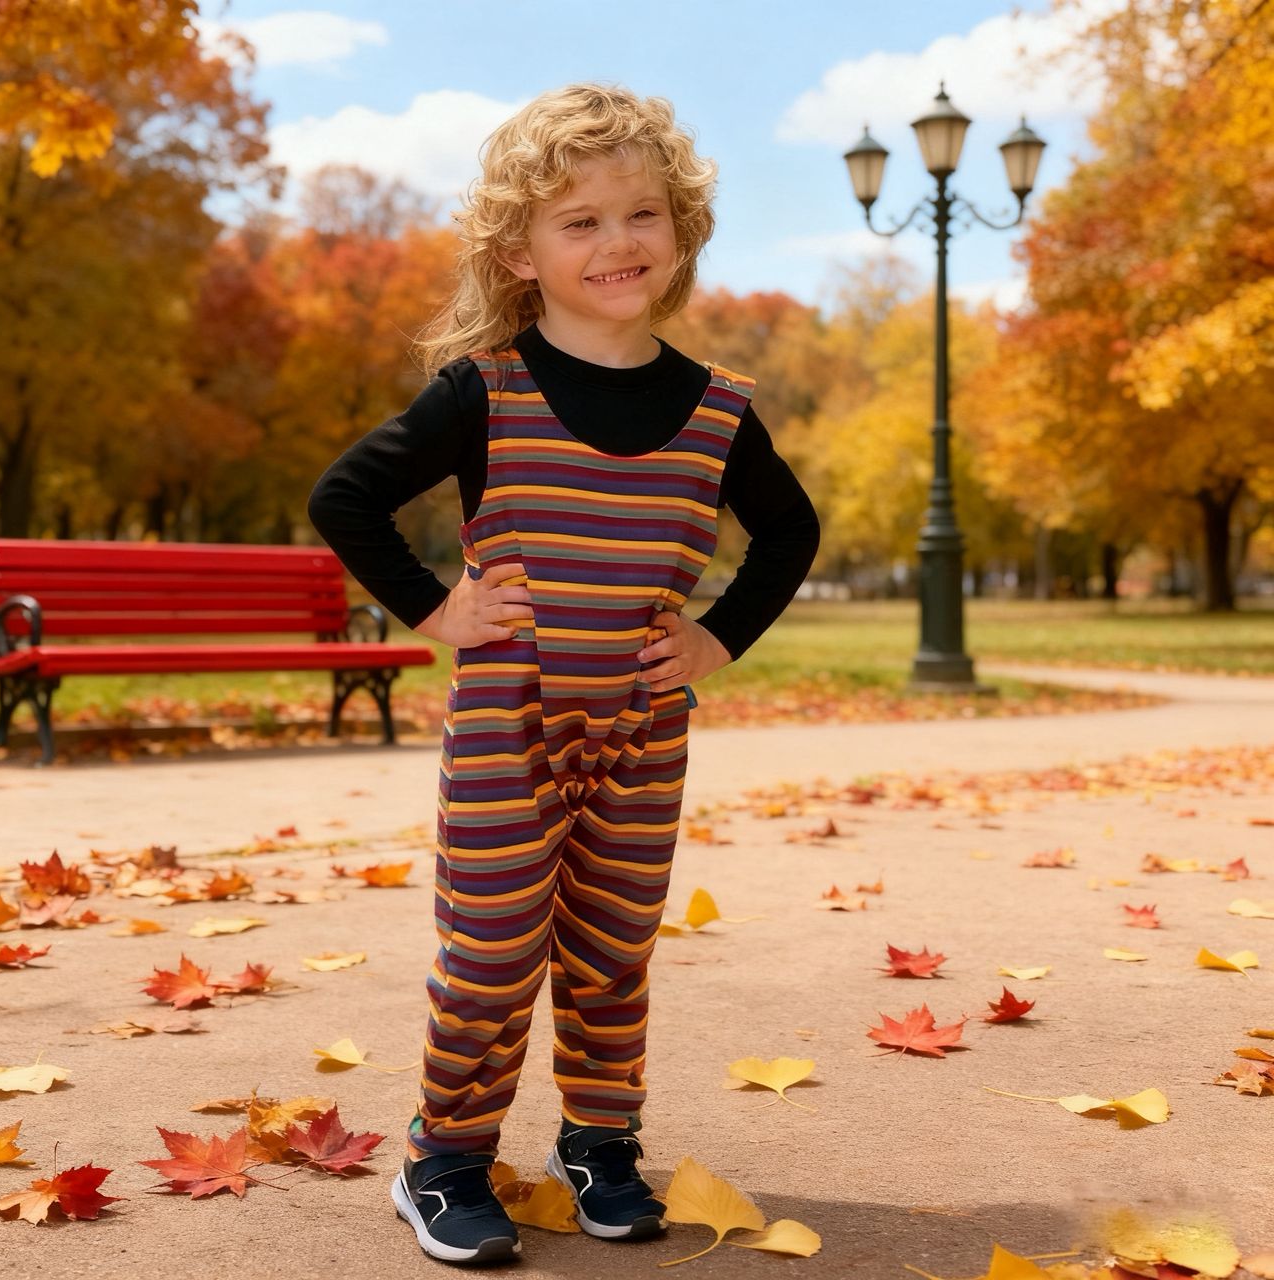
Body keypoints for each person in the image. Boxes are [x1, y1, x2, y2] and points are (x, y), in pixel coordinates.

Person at [307, 82, 819, 1267]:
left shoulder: (718, 409)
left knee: (609, 945)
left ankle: (599, 1140)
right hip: (510, 720)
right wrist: (441, 608)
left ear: (681, 230)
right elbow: (348, 495)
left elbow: (787, 535)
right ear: (520, 252)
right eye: (577, 221)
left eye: (641, 213)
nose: (615, 241)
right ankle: (443, 1156)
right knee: (490, 946)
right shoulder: (485, 390)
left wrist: (714, 638)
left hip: (643, 728)